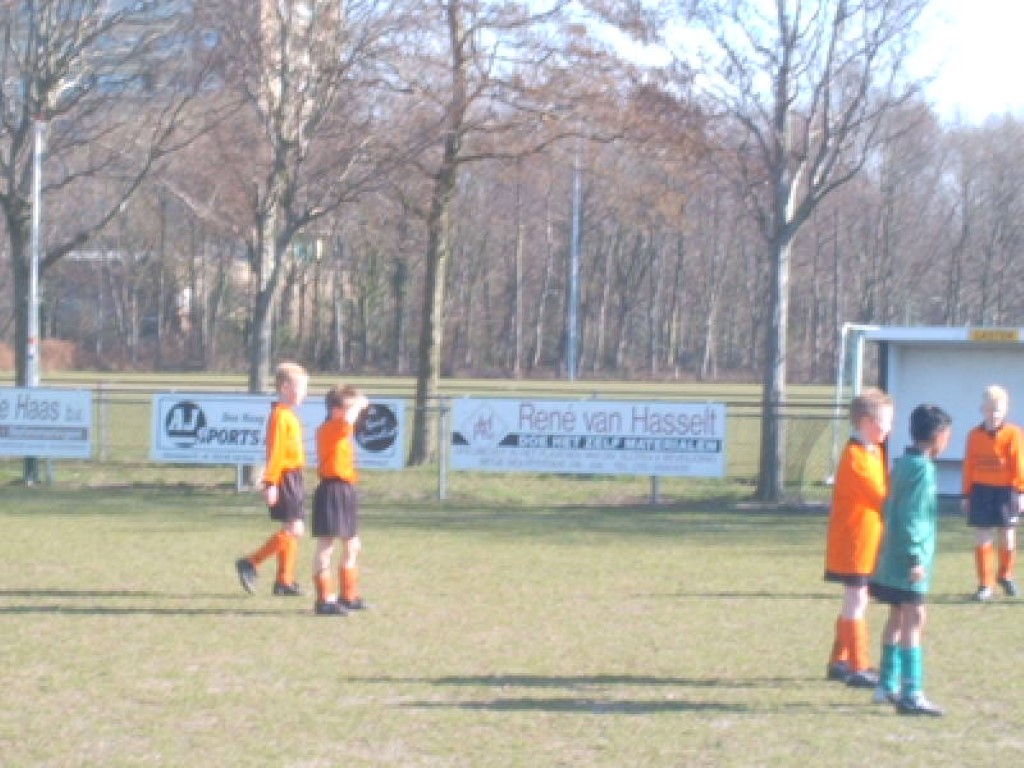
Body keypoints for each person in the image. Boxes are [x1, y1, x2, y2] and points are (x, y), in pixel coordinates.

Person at [869, 403, 952, 716]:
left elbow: (890, 507)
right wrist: (916, 557)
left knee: (896, 616)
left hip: (891, 555)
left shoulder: (902, 463)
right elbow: (913, 516)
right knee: (914, 619)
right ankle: (911, 692)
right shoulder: (922, 470)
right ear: (938, 435)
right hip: (907, 559)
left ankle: (886, 684)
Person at [823, 388, 894, 688]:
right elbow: (881, 496)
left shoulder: (874, 452)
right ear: (865, 422)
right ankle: (858, 665)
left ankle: (839, 660)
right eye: (884, 422)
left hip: (867, 540)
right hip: (853, 541)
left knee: (857, 599)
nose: (888, 429)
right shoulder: (855, 456)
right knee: (856, 599)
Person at [235, 362, 309, 596]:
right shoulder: (279, 416)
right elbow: (275, 453)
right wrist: (271, 483)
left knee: (291, 528)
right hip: (285, 477)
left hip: (294, 476)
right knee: (295, 528)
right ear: (285, 387)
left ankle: (284, 582)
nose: (305, 393)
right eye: (301, 388)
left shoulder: (289, 415)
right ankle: (251, 562)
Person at [310, 384, 370, 616]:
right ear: (336, 410)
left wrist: (358, 402)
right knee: (326, 546)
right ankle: (324, 599)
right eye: (348, 407)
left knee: (352, 544)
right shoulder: (330, 428)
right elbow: (350, 419)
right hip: (331, 489)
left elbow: (353, 418)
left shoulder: (343, 427)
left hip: (346, 489)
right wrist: (359, 403)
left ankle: (349, 595)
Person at [961, 385, 1024, 601]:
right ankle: (985, 583)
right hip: (981, 490)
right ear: (983, 409)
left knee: (1008, 534)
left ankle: (1006, 575)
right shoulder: (974, 435)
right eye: (990, 409)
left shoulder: (1013, 434)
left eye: (998, 410)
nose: (994, 414)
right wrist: (966, 494)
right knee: (983, 534)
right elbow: (969, 465)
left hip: (1007, 490)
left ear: (1005, 410)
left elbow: (1018, 463)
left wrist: (1021, 491)